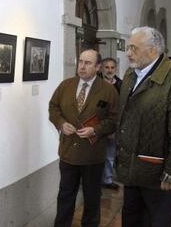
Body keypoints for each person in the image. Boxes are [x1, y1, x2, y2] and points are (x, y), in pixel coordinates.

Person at [115, 26, 171, 227]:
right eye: (128, 47)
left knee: (156, 221)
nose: (128, 53)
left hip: (158, 174)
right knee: (131, 218)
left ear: (153, 50)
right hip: (132, 169)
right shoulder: (130, 75)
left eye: (134, 48)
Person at [49, 49, 119, 227]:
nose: (82, 66)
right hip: (68, 153)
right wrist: (61, 123)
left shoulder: (108, 91)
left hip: (93, 155)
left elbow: (115, 120)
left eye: (88, 63)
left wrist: (95, 130)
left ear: (97, 67)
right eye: (80, 61)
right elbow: (53, 107)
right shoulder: (66, 85)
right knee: (65, 195)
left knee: (92, 197)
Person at [99, 58, 122, 190]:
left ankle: (107, 180)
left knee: (110, 155)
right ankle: (94, 180)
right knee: (95, 156)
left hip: (115, 126)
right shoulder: (96, 84)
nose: (109, 70)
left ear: (115, 69)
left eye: (112, 67)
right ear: (102, 68)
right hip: (98, 126)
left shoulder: (121, 84)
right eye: (107, 67)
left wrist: (114, 129)